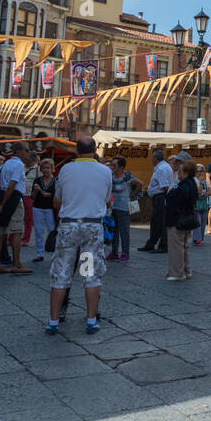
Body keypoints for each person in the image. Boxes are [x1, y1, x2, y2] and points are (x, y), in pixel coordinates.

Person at [47, 135, 111, 335]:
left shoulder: (66, 169)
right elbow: (107, 200)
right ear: (94, 150)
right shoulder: (105, 171)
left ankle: (53, 322)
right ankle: (91, 320)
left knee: (62, 274)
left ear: (76, 150)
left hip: (69, 226)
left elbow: (57, 201)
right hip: (91, 227)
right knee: (90, 274)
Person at [0, 143, 30, 275]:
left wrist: (0, 202)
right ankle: (16, 264)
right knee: (17, 232)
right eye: (26, 150)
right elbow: (13, 184)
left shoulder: (5, 164)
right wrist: (3, 202)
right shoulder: (18, 165)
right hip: (13, 199)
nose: (28, 153)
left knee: (0, 232)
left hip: (3, 196)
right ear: (17, 151)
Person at [165, 162, 198, 281]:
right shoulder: (193, 183)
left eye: (179, 172)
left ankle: (177, 272)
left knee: (176, 247)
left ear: (185, 173)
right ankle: (186, 270)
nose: (177, 173)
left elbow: (174, 198)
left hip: (176, 219)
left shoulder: (183, 185)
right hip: (186, 219)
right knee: (184, 246)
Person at [139, 148, 174, 253]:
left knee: (159, 222)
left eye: (152, 158)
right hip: (159, 197)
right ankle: (152, 243)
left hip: (160, 197)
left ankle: (163, 245)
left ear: (155, 158)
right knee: (156, 222)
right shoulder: (163, 166)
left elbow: (165, 186)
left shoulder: (161, 169)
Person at [106, 157, 138, 261]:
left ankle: (125, 253)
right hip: (113, 207)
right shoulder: (111, 176)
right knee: (114, 231)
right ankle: (114, 252)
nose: (112, 167)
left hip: (124, 207)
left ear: (121, 167)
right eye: (112, 164)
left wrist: (131, 194)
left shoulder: (127, 176)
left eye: (114, 165)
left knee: (124, 231)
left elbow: (140, 184)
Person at [31, 158, 57, 263]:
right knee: (38, 231)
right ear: (41, 169)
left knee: (52, 231)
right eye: (44, 168)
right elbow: (32, 197)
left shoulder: (56, 180)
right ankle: (39, 254)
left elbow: (59, 196)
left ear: (52, 169)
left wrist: (51, 195)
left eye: (48, 168)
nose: (46, 170)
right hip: (38, 208)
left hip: (51, 208)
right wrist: (36, 191)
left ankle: (55, 254)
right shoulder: (37, 180)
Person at [192, 163, 211, 246]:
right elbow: (198, 192)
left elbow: (210, 191)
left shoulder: (205, 181)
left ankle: (198, 238)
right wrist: (200, 183)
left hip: (204, 203)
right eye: (198, 171)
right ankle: (197, 239)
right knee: (198, 222)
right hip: (196, 204)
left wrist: (205, 194)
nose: (200, 173)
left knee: (203, 222)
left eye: (201, 171)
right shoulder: (193, 181)